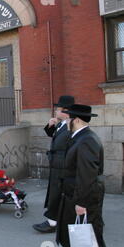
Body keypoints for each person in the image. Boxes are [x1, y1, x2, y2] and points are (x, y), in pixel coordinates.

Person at [56, 104, 106, 247]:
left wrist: (81, 202)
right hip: (75, 192)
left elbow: (86, 175)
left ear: (76, 120)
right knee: (78, 229)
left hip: (84, 194)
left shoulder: (87, 140)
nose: (67, 121)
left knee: (87, 231)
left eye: (69, 118)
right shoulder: (80, 136)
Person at [33, 95, 75, 233]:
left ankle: (53, 222)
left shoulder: (71, 125)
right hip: (57, 165)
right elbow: (56, 137)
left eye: (57, 109)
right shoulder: (62, 124)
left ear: (65, 111)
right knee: (55, 193)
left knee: (58, 193)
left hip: (62, 165)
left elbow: (67, 144)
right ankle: (57, 220)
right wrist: (50, 126)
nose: (55, 112)